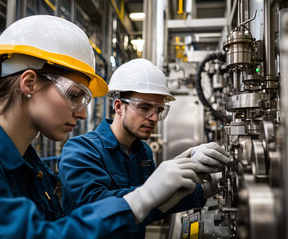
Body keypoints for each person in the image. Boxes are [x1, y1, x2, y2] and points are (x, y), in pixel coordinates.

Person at [0, 15, 201, 238]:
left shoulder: (29, 163)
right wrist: (139, 198)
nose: (82, 113)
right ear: (29, 83)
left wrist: (197, 187)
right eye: (74, 95)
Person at [58, 58, 230, 238]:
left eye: (158, 110)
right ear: (118, 106)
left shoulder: (143, 152)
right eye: (144, 107)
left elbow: (155, 207)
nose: (153, 118)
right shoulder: (80, 150)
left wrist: (204, 189)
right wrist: (147, 194)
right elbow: (93, 207)